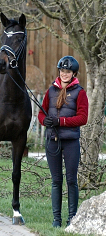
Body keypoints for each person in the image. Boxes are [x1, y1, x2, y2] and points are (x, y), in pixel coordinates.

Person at [38, 56, 88, 227]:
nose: (64, 74)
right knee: (56, 180)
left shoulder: (79, 92)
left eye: (68, 71)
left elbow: (83, 118)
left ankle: (72, 218)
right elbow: (41, 113)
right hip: (53, 141)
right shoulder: (51, 91)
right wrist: (46, 121)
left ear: (74, 73)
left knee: (71, 180)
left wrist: (62, 122)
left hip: (71, 142)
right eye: (62, 71)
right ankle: (56, 220)